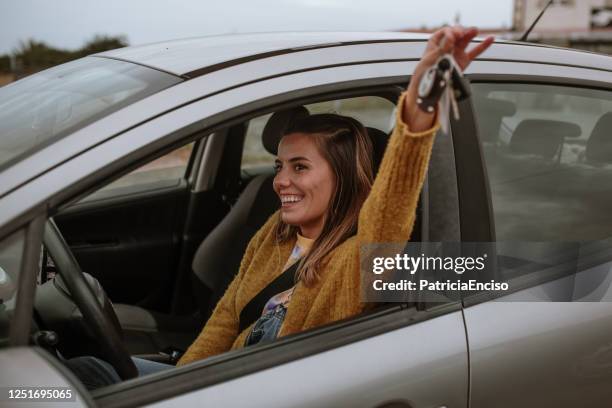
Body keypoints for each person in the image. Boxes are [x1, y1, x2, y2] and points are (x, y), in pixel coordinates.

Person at [66, 25, 493, 388]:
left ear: (342, 177)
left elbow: (389, 211)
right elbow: (224, 322)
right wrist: (184, 383)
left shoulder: (353, 262)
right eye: (279, 165)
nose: (280, 181)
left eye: (300, 167)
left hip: (260, 390)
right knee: (79, 373)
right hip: (212, 384)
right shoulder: (274, 233)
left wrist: (418, 112)